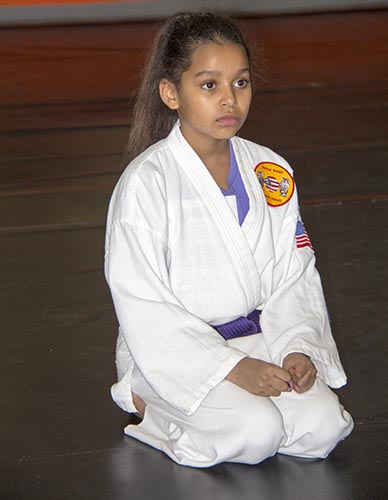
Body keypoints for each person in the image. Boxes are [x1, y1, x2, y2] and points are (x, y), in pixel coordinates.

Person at [104, 11, 353, 468]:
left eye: (240, 83)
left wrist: (298, 347)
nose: (229, 101)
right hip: (177, 356)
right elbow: (141, 301)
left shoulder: (269, 170)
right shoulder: (147, 182)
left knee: (323, 429)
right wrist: (231, 369)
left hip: (263, 340)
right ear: (170, 93)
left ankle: (244, 393)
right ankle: (149, 403)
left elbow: (294, 274)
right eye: (209, 85)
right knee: (255, 433)